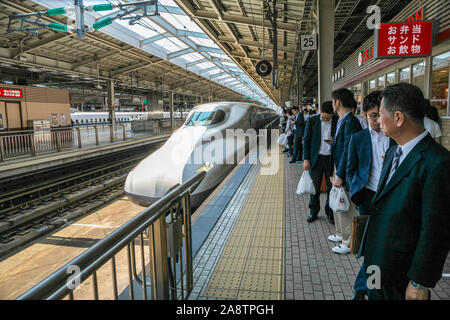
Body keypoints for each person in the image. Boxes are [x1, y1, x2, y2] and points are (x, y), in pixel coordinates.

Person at [360, 83, 450, 300]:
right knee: (373, 296)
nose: (378, 121)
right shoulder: (393, 152)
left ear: (398, 118)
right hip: (376, 260)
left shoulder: (438, 163)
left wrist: (420, 281)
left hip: (404, 272)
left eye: (380, 115)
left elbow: (436, 230)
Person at [346, 91, 396, 299]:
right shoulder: (358, 139)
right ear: (364, 114)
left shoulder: (395, 136)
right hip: (367, 197)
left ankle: (362, 289)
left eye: (380, 114)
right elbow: (350, 168)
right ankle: (368, 287)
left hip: (390, 198)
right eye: (372, 115)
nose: (377, 120)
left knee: (377, 247)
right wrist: (355, 189)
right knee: (371, 246)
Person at [328, 88, 362, 254]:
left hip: (345, 169)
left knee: (345, 204)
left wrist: (340, 174)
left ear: (338, 102)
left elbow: (348, 151)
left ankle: (348, 241)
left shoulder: (350, 122)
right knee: (337, 199)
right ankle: (341, 234)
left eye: (333, 101)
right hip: (339, 165)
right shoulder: (342, 120)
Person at [303, 101, 337, 224]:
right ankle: (313, 211)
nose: (325, 119)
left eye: (328, 118)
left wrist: (335, 141)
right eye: (323, 117)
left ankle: (330, 213)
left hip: (330, 159)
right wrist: (306, 159)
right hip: (316, 159)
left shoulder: (337, 120)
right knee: (315, 188)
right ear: (320, 112)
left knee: (331, 188)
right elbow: (306, 140)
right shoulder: (312, 121)